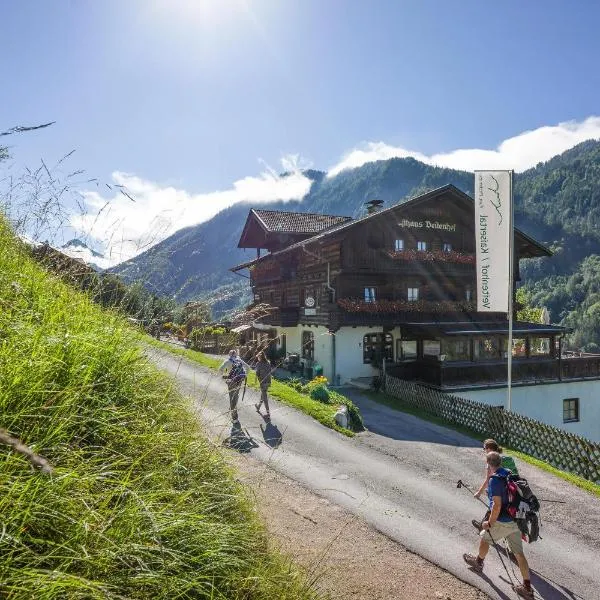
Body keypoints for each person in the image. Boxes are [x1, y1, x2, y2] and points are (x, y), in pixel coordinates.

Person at [463, 452, 533, 599]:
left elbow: (497, 505)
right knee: (519, 553)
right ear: (500, 462)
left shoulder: (495, 480)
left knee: (485, 537)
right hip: (516, 519)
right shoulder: (508, 473)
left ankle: (478, 562)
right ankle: (527, 587)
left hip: (503, 520)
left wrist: (489, 523)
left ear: (488, 464)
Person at [218, 349, 247, 421]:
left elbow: (220, 369)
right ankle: (234, 409)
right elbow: (248, 368)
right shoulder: (239, 360)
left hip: (231, 381)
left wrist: (224, 378)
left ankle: (234, 418)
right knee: (236, 395)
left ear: (229, 355)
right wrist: (243, 377)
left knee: (231, 398)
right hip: (239, 381)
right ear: (236, 354)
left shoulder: (227, 361)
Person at [254, 351, 273, 420]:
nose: (257, 358)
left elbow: (257, 373)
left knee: (265, 397)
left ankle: (268, 413)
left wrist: (255, 380)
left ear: (260, 357)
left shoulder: (258, 364)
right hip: (268, 382)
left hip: (262, 382)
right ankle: (258, 407)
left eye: (258, 357)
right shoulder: (268, 363)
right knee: (263, 394)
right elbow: (270, 371)